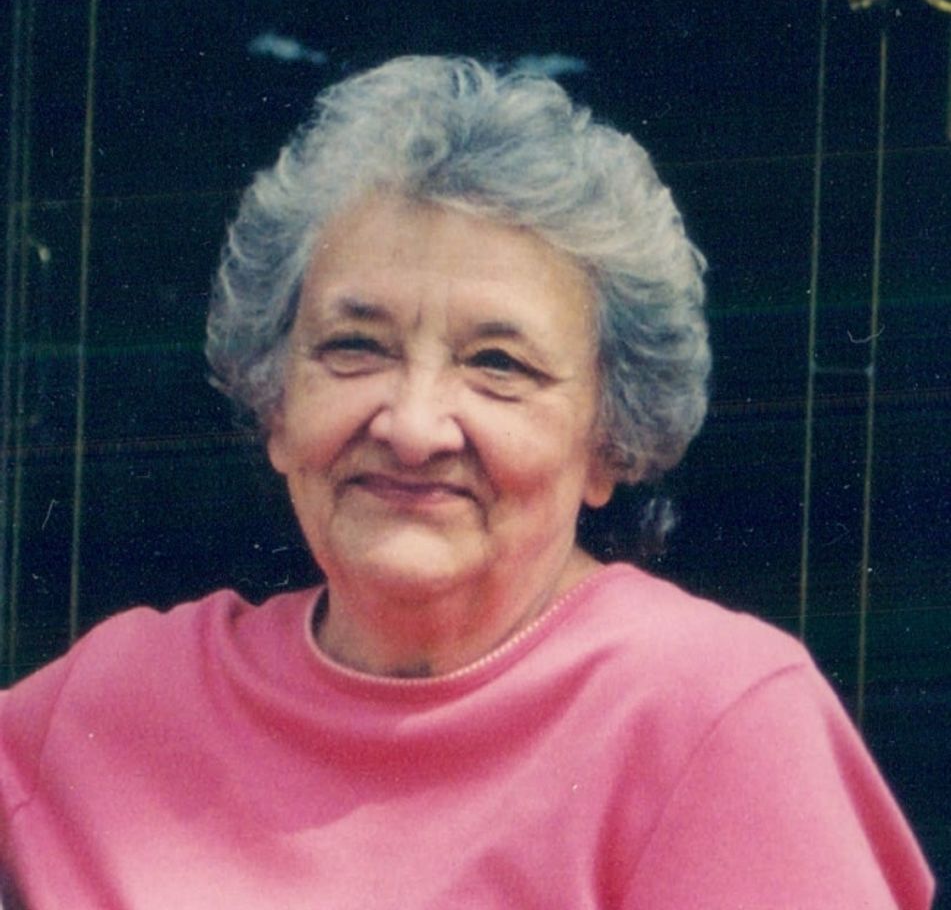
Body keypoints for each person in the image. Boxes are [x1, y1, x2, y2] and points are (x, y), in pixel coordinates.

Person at [0, 56, 934, 908]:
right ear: (275, 405)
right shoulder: (114, 702)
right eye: (354, 346)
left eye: (497, 364)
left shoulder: (714, 717)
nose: (412, 428)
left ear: (608, 441)